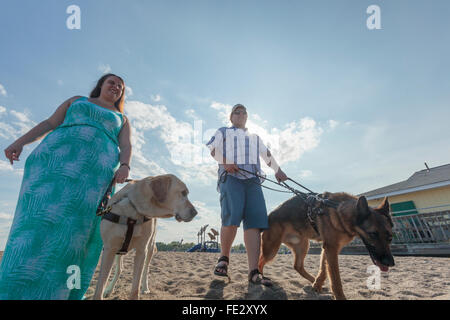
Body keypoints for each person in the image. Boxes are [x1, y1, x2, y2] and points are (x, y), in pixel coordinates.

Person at [0, 74, 132, 299]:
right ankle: (15, 289)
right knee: (34, 224)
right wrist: (19, 142)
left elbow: (126, 145)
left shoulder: (122, 118)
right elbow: (49, 123)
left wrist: (125, 165)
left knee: (77, 235)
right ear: (100, 84)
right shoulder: (77, 101)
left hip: (92, 181)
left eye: (120, 87)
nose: (116, 87)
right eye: (112, 82)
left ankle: (64, 292)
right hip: (52, 169)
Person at [206, 104, 288, 286]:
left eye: (244, 112)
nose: (241, 114)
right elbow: (213, 149)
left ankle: (254, 271)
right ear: (231, 117)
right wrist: (225, 161)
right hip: (232, 177)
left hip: (253, 181)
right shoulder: (223, 132)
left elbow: (266, 154)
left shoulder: (255, 137)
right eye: (237, 111)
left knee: (254, 224)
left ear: (247, 117)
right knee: (232, 216)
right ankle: (224, 259)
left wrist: (278, 170)